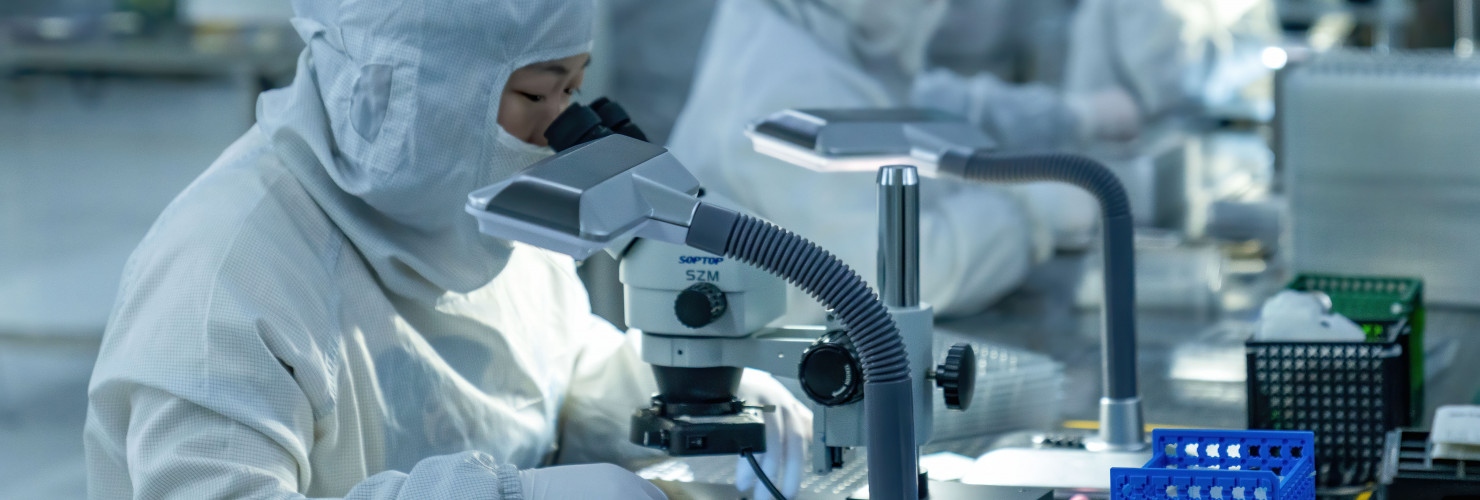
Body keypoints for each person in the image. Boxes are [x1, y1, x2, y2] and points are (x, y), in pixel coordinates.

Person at [82, 1, 810, 499]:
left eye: (576, 88)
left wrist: (689, 409)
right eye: (535, 94)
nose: (563, 128)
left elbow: (551, 368)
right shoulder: (223, 278)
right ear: (405, 93)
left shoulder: (483, 209)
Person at [668, 0, 1100, 324]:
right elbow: (888, 278)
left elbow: (903, 107)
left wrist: (1059, 117)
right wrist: (1029, 216)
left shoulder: (809, 27)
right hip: (785, 384)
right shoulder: (787, 80)